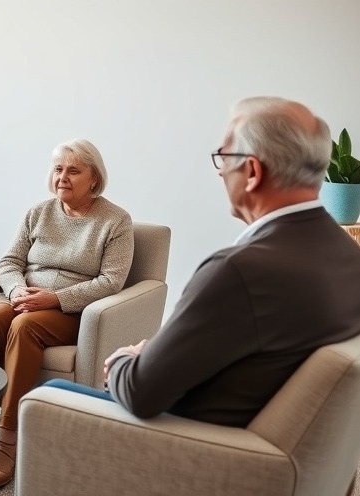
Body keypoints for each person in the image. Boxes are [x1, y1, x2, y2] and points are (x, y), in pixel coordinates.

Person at [47, 96, 360, 428]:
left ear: (252, 171)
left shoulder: (239, 271)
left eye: (224, 157)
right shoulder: (345, 251)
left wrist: (125, 357)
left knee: (50, 395)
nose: (221, 172)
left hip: (197, 444)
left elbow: (140, 392)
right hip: (268, 436)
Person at [0, 139, 134, 488]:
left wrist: (53, 298)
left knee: (24, 327)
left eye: (73, 170)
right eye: (58, 168)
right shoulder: (39, 212)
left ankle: (7, 439)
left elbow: (111, 282)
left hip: (71, 310)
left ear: (94, 179)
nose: (62, 176)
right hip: (24, 298)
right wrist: (16, 290)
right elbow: (9, 262)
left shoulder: (115, 221)